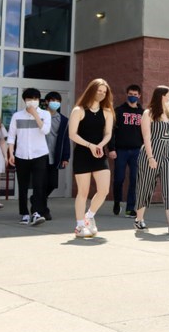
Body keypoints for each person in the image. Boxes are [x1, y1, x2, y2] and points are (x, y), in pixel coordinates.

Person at [132, 85, 169, 235]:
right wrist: (150, 157)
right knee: (145, 187)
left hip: (168, 155)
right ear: (161, 96)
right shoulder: (148, 113)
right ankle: (139, 219)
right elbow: (146, 137)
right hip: (151, 154)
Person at [67, 79, 115, 239]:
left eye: (104, 91)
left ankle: (89, 216)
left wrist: (100, 145)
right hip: (83, 154)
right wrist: (90, 146)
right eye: (99, 90)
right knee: (83, 192)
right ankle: (80, 226)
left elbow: (108, 133)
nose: (101, 94)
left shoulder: (107, 111)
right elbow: (72, 134)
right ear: (91, 90)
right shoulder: (78, 110)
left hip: (99, 153)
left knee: (104, 191)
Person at [6, 88, 51, 226]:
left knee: (38, 185)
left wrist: (35, 115)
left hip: (40, 154)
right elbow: (11, 136)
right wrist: (11, 153)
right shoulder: (17, 116)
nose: (32, 102)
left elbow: (45, 130)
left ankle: (36, 212)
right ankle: (24, 213)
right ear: (24, 101)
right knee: (23, 186)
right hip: (21, 155)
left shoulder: (45, 114)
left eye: (35, 99)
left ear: (39, 100)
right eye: (29, 99)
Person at [108, 84, 143, 217]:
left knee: (134, 179)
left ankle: (130, 208)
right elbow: (110, 131)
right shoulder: (119, 111)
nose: (132, 97)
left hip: (137, 151)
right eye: (130, 94)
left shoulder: (143, 113)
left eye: (135, 95)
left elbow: (146, 133)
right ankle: (117, 202)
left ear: (139, 96)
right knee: (119, 179)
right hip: (121, 151)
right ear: (126, 94)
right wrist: (111, 148)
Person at [42, 92, 71, 217]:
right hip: (40, 155)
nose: (55, 103)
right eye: (53, 100)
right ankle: (43, 209)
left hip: (55, 156)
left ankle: (36, 200)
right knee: (41, 183)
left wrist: (65, 156)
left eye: (58, 101)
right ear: (47, 102)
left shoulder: (63, 120)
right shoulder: (40, 116)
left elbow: (66, 139)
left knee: (52, 183)